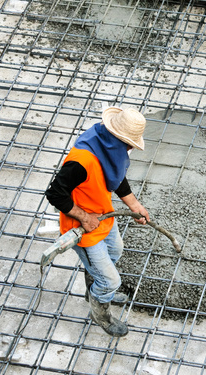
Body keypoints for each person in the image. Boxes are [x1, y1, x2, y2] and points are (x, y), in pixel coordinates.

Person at [45, 107, 150, 337]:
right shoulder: (82, 161)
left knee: (115, 250)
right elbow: (54, 194)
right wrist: (84, 217)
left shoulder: (108, 147)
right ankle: (101, 314)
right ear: (118, 137)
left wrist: (135, 206)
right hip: (82, 227)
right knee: (111, 280)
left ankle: (96, 290)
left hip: (103, 215)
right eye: (129, 143)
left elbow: (117, 177)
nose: (131, 148)